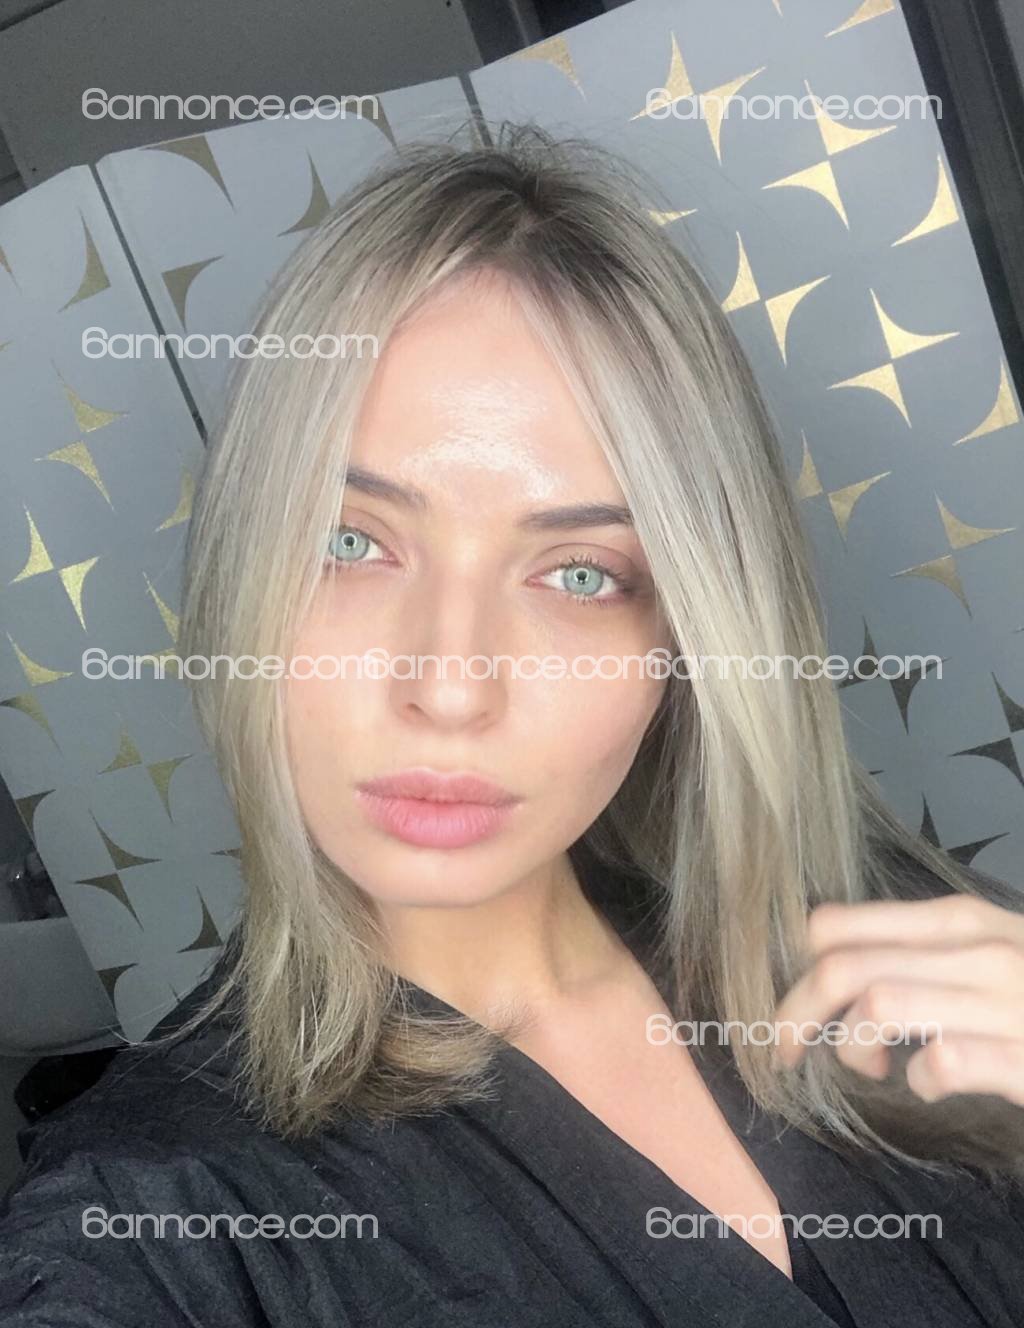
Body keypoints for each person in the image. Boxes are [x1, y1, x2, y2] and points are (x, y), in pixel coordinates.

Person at [2, 123, 1023, 1327]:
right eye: (348, 541)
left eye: (580, 572)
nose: (449, 685)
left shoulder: (896, 956)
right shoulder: (155, 1226)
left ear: (686, 639)